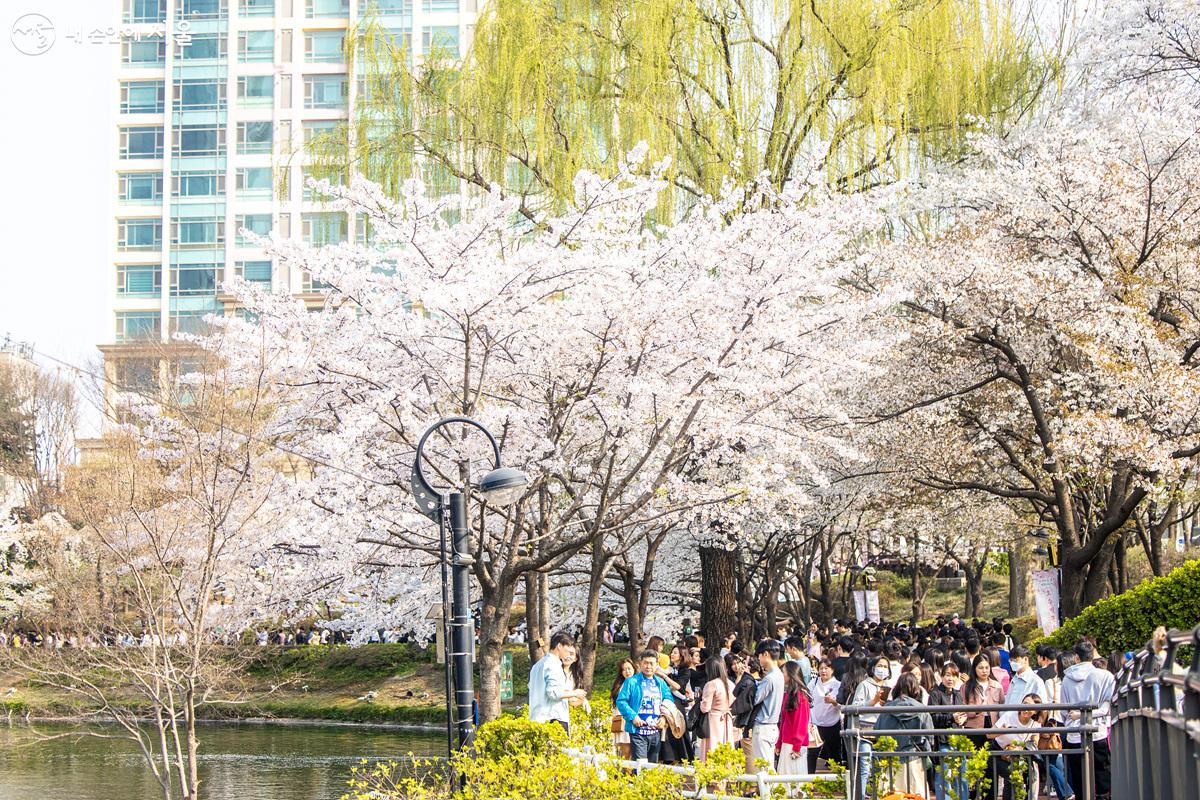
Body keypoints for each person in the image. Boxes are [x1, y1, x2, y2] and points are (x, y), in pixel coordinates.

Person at [1060, 641, 1115, 800]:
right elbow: (1108, 706)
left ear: (1076, 657)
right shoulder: (1105, 676)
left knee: (1079, 778)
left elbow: (1064, 710)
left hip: (1074, 734)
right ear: (1092, 656)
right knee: (1102, 774)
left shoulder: (1066, 679)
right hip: (1098, 733)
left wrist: (1075, 716)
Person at [874, 672, 932, 798]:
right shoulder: (921, 709)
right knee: (916, 795)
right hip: (914, 758)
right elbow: (930, 737)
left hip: (890, 759)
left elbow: (877, 734)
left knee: (890, 795)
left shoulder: (886, 710)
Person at [615, 650, 675, 763]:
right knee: (640, 765)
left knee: (652, 767)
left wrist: (664, 718)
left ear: (657, 665)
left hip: (655, 731)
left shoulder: (660, 683)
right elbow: (621, 701)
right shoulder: (632, 682)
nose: (648, 666)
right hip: (638, 731)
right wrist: (633, 717)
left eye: (651, 663)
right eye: (645, 663)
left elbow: (669, 700)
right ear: (640, 664)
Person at [850, 654, 893, 798]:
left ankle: (878, 795)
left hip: (883, 729)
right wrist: (872, 702)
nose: (883, 669)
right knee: (865, 766)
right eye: (880, 666)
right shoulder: (864, 685)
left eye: (885, 667)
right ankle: (861, 796)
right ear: (873, 668)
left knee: (881, 767)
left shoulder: (889, 687)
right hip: (866, 731)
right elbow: (855, 706)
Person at [528, 631, 588, 732]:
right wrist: (575, 693)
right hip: (553, 719)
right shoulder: (554, 664)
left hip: (536, 718)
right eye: (567, 649)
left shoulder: (537, 665)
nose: (568, 653)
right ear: (559, 646)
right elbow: (553, 693)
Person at [990, 694, 1044, 800]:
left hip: (1017, 755)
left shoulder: (1035, 723)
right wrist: (1002, 731)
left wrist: (1022, 747)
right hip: (997, 751)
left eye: (1031, 708)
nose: (1026, 709)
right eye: (1025, 704)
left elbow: (1034, 743)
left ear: (1036, 711)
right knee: (1011, 775)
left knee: (1026, 775)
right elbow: (989, 734)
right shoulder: (1010, 715)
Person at [930, 662, 968, 800]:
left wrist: (963, 719)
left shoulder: (958, 694)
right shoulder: (935, 693)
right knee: (944, 775)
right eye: (947, 675)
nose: (950, 679)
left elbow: (963, 713)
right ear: (941, 676)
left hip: (958, 738)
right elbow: (933, 718)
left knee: (962, 775)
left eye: (954, 676)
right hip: (943, 740)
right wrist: (951, 717)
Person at [749, 639, 785, 774]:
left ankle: (770, 794)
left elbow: (754, 699)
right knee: (767, 765)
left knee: (764, 767)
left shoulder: (769, 678)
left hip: (763, 726)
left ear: (765, 654)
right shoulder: (779, 675)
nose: (758, 658)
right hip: (772, 726)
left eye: (759, 655)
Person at [698, 654, 737, 761]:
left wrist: (700, 701)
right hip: (727, 719)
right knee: (725, 747)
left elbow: (705, 708)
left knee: (712, 747)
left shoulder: (711, 684)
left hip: (713, 720)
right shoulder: (731, 684)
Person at [777, 660, 811, 780]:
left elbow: (801, 723)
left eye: (784, 672)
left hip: (795, 744)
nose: (782, 675)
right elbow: (784, 722)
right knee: (784, 779)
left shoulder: (800, 696)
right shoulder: (788, 695)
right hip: (787, 742)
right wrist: (779, 742)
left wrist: (797, 746)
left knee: (795, 780)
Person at [808, 657, 842, 772]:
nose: (823, 671)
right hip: (816, 723)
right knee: (812, 752)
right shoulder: (814, 683)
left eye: (826, 668)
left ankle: (837, 778)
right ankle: (809, 779)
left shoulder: (838, 685)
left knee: (834, 752)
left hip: (832, 722)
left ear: (832, 670)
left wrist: (833, 701)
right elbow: (808, 700)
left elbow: (842, 705)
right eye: (821, 668)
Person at [610, 658, 636, 759]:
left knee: (633, 753)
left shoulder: (639, 683)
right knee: (625, 753)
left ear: (634, 669)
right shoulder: (619, 685)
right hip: (622, 722)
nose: (627, 671)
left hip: (634, 721)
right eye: (624, 669)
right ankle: (625, 774)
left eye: (629, 668)